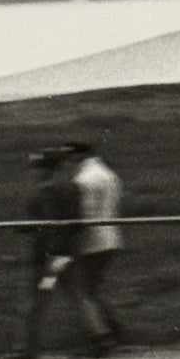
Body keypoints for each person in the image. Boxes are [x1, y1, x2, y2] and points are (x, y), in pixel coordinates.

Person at [7, 147, 115, 359]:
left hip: (48, 255)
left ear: (47, 169)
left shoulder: (43, 191)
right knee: (79, 296)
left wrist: (27, 229)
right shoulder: (73, 187)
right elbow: (77, 220)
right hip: (67, 253)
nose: (36, 172)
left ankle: (27, 348)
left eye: (39, 168)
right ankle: (101, 337)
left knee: (37, 300)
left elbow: (42, 223)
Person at [66, 141, 128, 343]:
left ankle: (100, 335)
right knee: (92, 289)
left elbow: (86, 212)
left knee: (83, 290)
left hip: (93, 240)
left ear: (77, 157)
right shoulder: (108, 174)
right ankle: (112, 327)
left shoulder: (84, 178)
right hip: (112, 236)